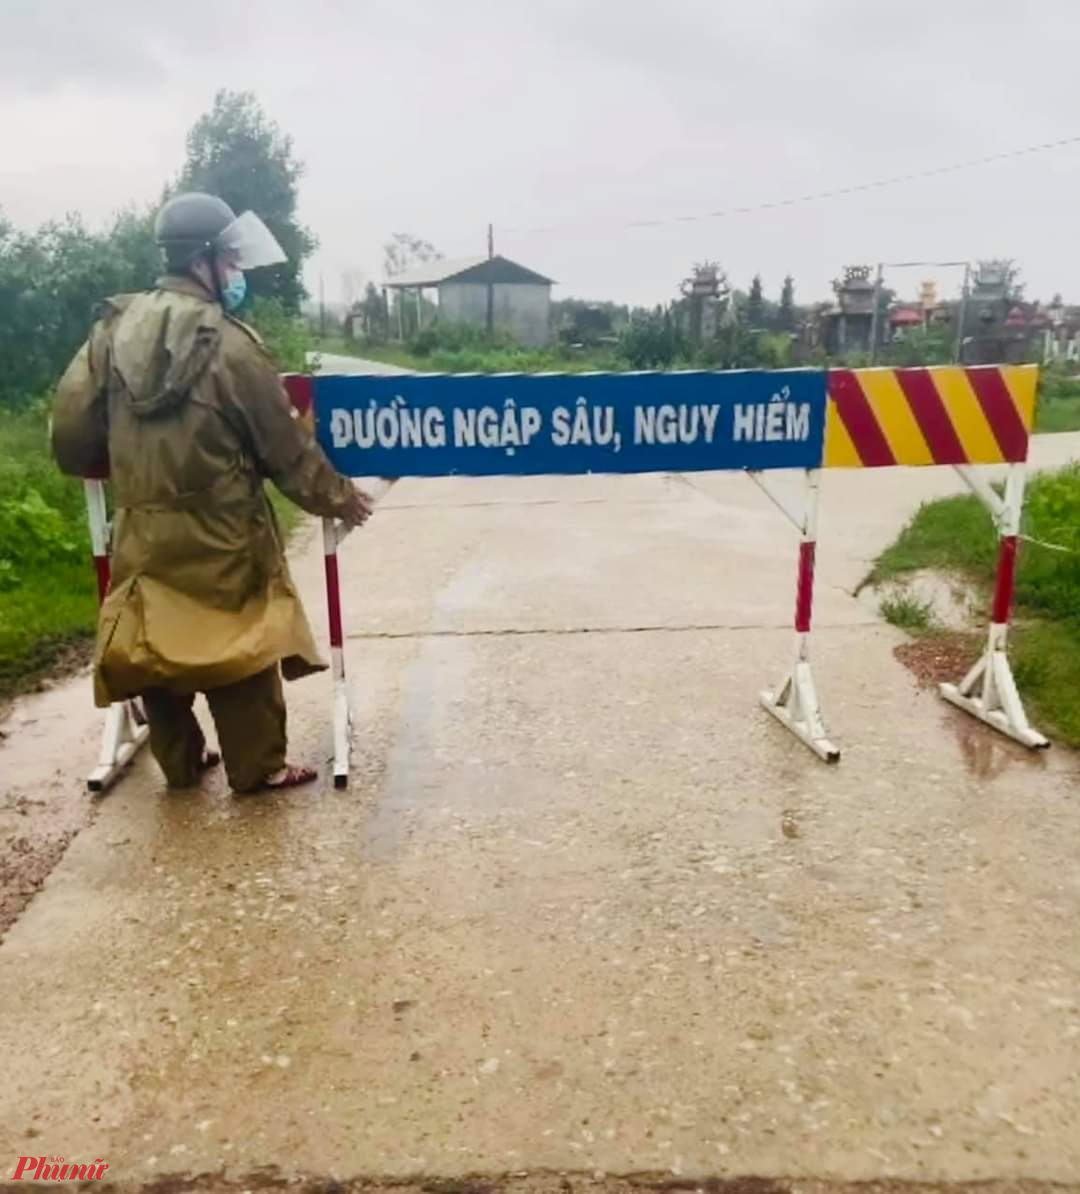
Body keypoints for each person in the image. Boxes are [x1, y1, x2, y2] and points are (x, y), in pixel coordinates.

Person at [51, 192, 372, 793]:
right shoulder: (230, 344)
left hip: (143, 528)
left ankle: (180, 764)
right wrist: (339, 497)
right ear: (204, 262)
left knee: (155, 645)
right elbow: (287, 451)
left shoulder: (110, 332)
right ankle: (259, 767)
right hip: (225, 529)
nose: (238, 273)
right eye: (231, 262)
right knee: (242, 645)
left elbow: (69, 436)